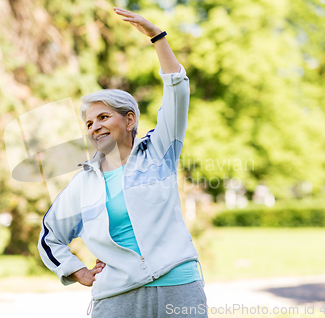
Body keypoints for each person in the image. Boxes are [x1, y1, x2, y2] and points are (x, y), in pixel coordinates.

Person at [38, 7, 208, 317]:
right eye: (89, 123)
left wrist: (157, 38)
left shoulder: (159, 151)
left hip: (178, 288)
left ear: (129, 120)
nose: (95, 127)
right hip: (117, 297)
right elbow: (51, 236)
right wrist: (78, 271)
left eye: (103, 117)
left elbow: (177, 91)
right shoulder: (84, 183)